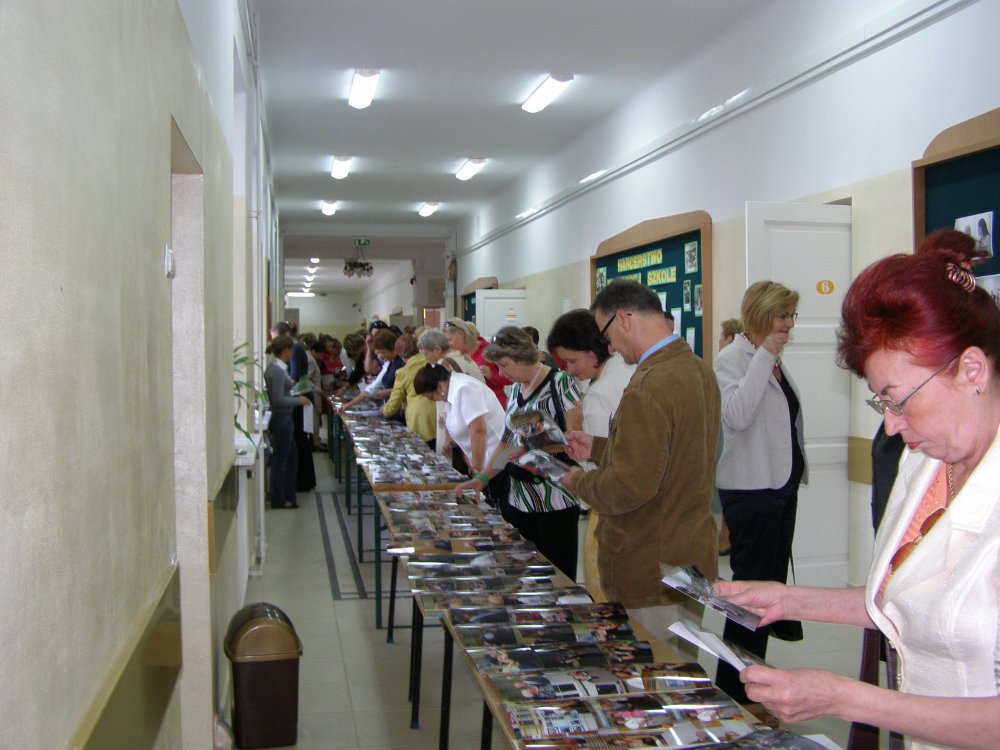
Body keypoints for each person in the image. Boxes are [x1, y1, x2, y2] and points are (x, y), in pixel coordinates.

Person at [714, 239, 1000, 750]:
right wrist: (789, 599)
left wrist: (845, 699)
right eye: (879, 403)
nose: (890, 426)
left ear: (971, 371)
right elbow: (905, 601)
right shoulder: (924, 463)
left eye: (898, 400)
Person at [560, 280, 720, 646]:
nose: (610, 348)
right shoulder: (697, 369)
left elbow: (629, 486)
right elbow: (673, 455)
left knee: (653, 669)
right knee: (680, 664)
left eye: (607, 337)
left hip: (650, 562)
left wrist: (576, 481)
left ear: (624, 319)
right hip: (688, 552)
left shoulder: (649, 384)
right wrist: (599, 448)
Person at [712, 280, 806, 703]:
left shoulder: (772, 358)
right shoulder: (732, 359)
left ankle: (750, 684)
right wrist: (765, 354)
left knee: (767, 596)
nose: (789, 324)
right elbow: (737, 416)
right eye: (782, 316)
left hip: (779, 488)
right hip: (752, 492)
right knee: (749, 600)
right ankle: (733, 690)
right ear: (760, 315)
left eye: (791, 315)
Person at [454, 326, 583, 579]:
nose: (501, 374)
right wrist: (482, 478)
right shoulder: (514, 391)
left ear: (523, 356)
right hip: (519, 497)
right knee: (523, 573)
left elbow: (575, 437)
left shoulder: (560, 383)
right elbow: (506, 443)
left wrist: (531, 444)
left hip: (555, 498)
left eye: (504, 365)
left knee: (557, 575)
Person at [547, 308, 636, 600]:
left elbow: (598, 475)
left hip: (615, 512)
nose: (569, 370)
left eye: (572, 361)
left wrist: (574, 434)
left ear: (592, 349)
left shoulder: (599, 395)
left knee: (608, 597)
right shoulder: (631, 369)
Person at [414, 364, 507, 501]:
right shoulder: (450, 392)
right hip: (487, 464)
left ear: (439, 387)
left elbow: (479, 431)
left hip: (498, 462)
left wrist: (477, 471)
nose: (434, 401)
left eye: (431, 397)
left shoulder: (464, 388)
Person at [264, 335, 310, 509]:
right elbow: (278, 400)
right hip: (282, 418)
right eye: (291, 350)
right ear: (285, 351)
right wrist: (299, 401)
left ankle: (288, 495)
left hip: (284, 417)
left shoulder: (277, 368)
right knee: (281, 460)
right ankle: (279, 498)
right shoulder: (276, 370)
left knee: (291, 456)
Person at [714, 318, 743, 556]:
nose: (719, 342)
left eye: (721, 336)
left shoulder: (726, 360)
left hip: (725, 432)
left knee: (724, 484)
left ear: (729, 338)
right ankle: (725, 535)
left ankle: (726, 536)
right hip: (727, 432)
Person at [443, 317, 512, 408]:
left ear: (461, 334)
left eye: (450, 339)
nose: (449, 344)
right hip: (469, 405)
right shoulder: (452, 355)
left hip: (493, 404)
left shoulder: (489, 350)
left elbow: (512, 378)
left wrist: (492, 375)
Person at [382, 334, 436, 445]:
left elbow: (393, 405)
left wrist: (384, 410)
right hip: (439, 413)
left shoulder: (403, 372)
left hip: (419, 419)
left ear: (400, 354)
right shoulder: (431, 361)